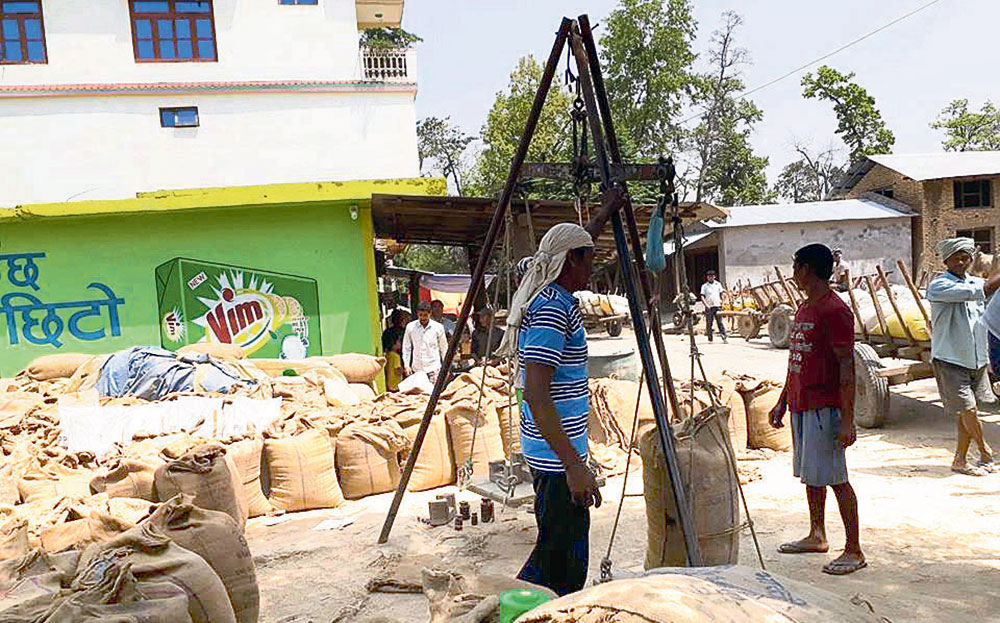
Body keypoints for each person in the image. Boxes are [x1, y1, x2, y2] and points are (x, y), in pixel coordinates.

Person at [498, 223, 603, 596]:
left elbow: (571, 241)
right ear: (571, 259)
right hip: (557, 459)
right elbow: (537, 395)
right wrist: (574, 467)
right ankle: (505, 611)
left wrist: (605, 210)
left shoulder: (556, 299)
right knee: (561, 569)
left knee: (560, 554)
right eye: (589, 258)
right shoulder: (551, 310)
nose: (593, 266)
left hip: (557, 453)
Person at [769, 243, 865, 576]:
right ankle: (817, 534)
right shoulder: (805, 306)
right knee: (813, 476)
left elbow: (846, 367)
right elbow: (797, 359)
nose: (794, 272)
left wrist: (848, 420)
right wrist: (783, 400)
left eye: (796, 266)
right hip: (801, 404)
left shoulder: (834, 310)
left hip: (825, 408)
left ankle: (854, 550)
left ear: (807, 269)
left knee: (836, 478)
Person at [926, 237, 1000, 476]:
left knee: (965, 414)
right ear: (945, 260)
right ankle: (985, 450)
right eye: (956, 257)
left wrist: (987, 359)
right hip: (951, 358)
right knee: (969, 410)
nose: (961, 262)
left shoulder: (974, 280)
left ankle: (959, 460)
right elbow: (983, 290)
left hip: (976, 358)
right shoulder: (940, 285)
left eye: (966, 257)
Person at [402, 301, 448, 383]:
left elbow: (444, 348)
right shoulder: (410, 327)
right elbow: (406, 347)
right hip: (417, 369)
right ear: (417, 314)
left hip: (434, 368)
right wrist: (406, 365)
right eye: (420, 315)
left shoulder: (438, 328)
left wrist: (446, 367)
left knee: (434, 394)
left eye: (425, 315)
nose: (423, 318)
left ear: (430, 313)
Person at [700, 271, 727, 343]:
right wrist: (706, 305)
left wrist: (723, 302)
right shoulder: (704, 286)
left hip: (717, 306)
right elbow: (702, 296)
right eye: (709, 276)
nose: (710, 277)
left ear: (714, 277)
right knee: (709, 323)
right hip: (709, 307)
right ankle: (710, 339)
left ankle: (724, 337)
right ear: (707, 277)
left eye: (712, 276)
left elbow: (722, 294)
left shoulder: (718, 284)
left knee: (720, 323)